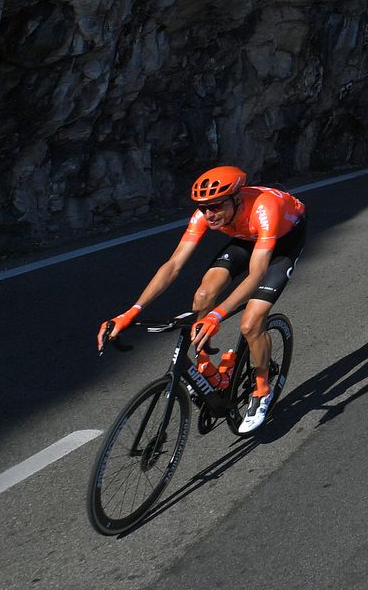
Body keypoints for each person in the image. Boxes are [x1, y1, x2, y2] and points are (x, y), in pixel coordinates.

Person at [97, 166, 306, 434]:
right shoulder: (206, 214)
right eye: (204, 207)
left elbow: (256, 275)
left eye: (216, 206)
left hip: (283, 241)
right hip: (246, 237)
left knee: (251, 322)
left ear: (237, 198)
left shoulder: (265, 208)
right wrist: (130, 312)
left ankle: (262, 389)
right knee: (203, 295)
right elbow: (173, 266)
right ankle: (207, 367)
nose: (209, 214)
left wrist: (217, 316)